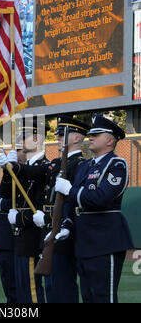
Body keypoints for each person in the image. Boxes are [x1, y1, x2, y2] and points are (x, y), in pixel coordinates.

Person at [55, 114, 134, 303]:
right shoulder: (86, 166)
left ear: (110, 140)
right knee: (88, 296)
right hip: (83, 240)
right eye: (91, 134)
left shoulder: (116, 165)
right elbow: (72, 203)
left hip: (105, 240)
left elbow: (101, 198)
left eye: (96, 134)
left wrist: (70, 190)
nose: (90, 137)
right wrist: (67, 224)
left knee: (103, 296)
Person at [0, 118, 50, 303]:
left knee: (32, 292)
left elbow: (41, 204)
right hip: (20, 237)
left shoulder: (46, 167)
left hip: (33, 236)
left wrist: (14, 168)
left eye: (25, 136)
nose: (20, 140)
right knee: (22, 292)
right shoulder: (26, 168)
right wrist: (7, 170)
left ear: (37, 139)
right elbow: (4, 193)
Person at [42, 115, 90, 303]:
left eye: (63, 134)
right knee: (51, 286)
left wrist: (64, 224)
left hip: (66, 232)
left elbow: (74, 200)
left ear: (77, 138)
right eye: (58, 134)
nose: (58, 138)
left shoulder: (80, 165)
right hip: (50, 228)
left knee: (63, 286)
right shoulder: (57, 163)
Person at [0, 146, 27, 303]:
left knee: (19, 289)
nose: (16, 153)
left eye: (21, 150)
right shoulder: (12, 174)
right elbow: (6, 192)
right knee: (9, 286)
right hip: (3, 235)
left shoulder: (30, 173)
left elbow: (20, 202)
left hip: (16, 235)